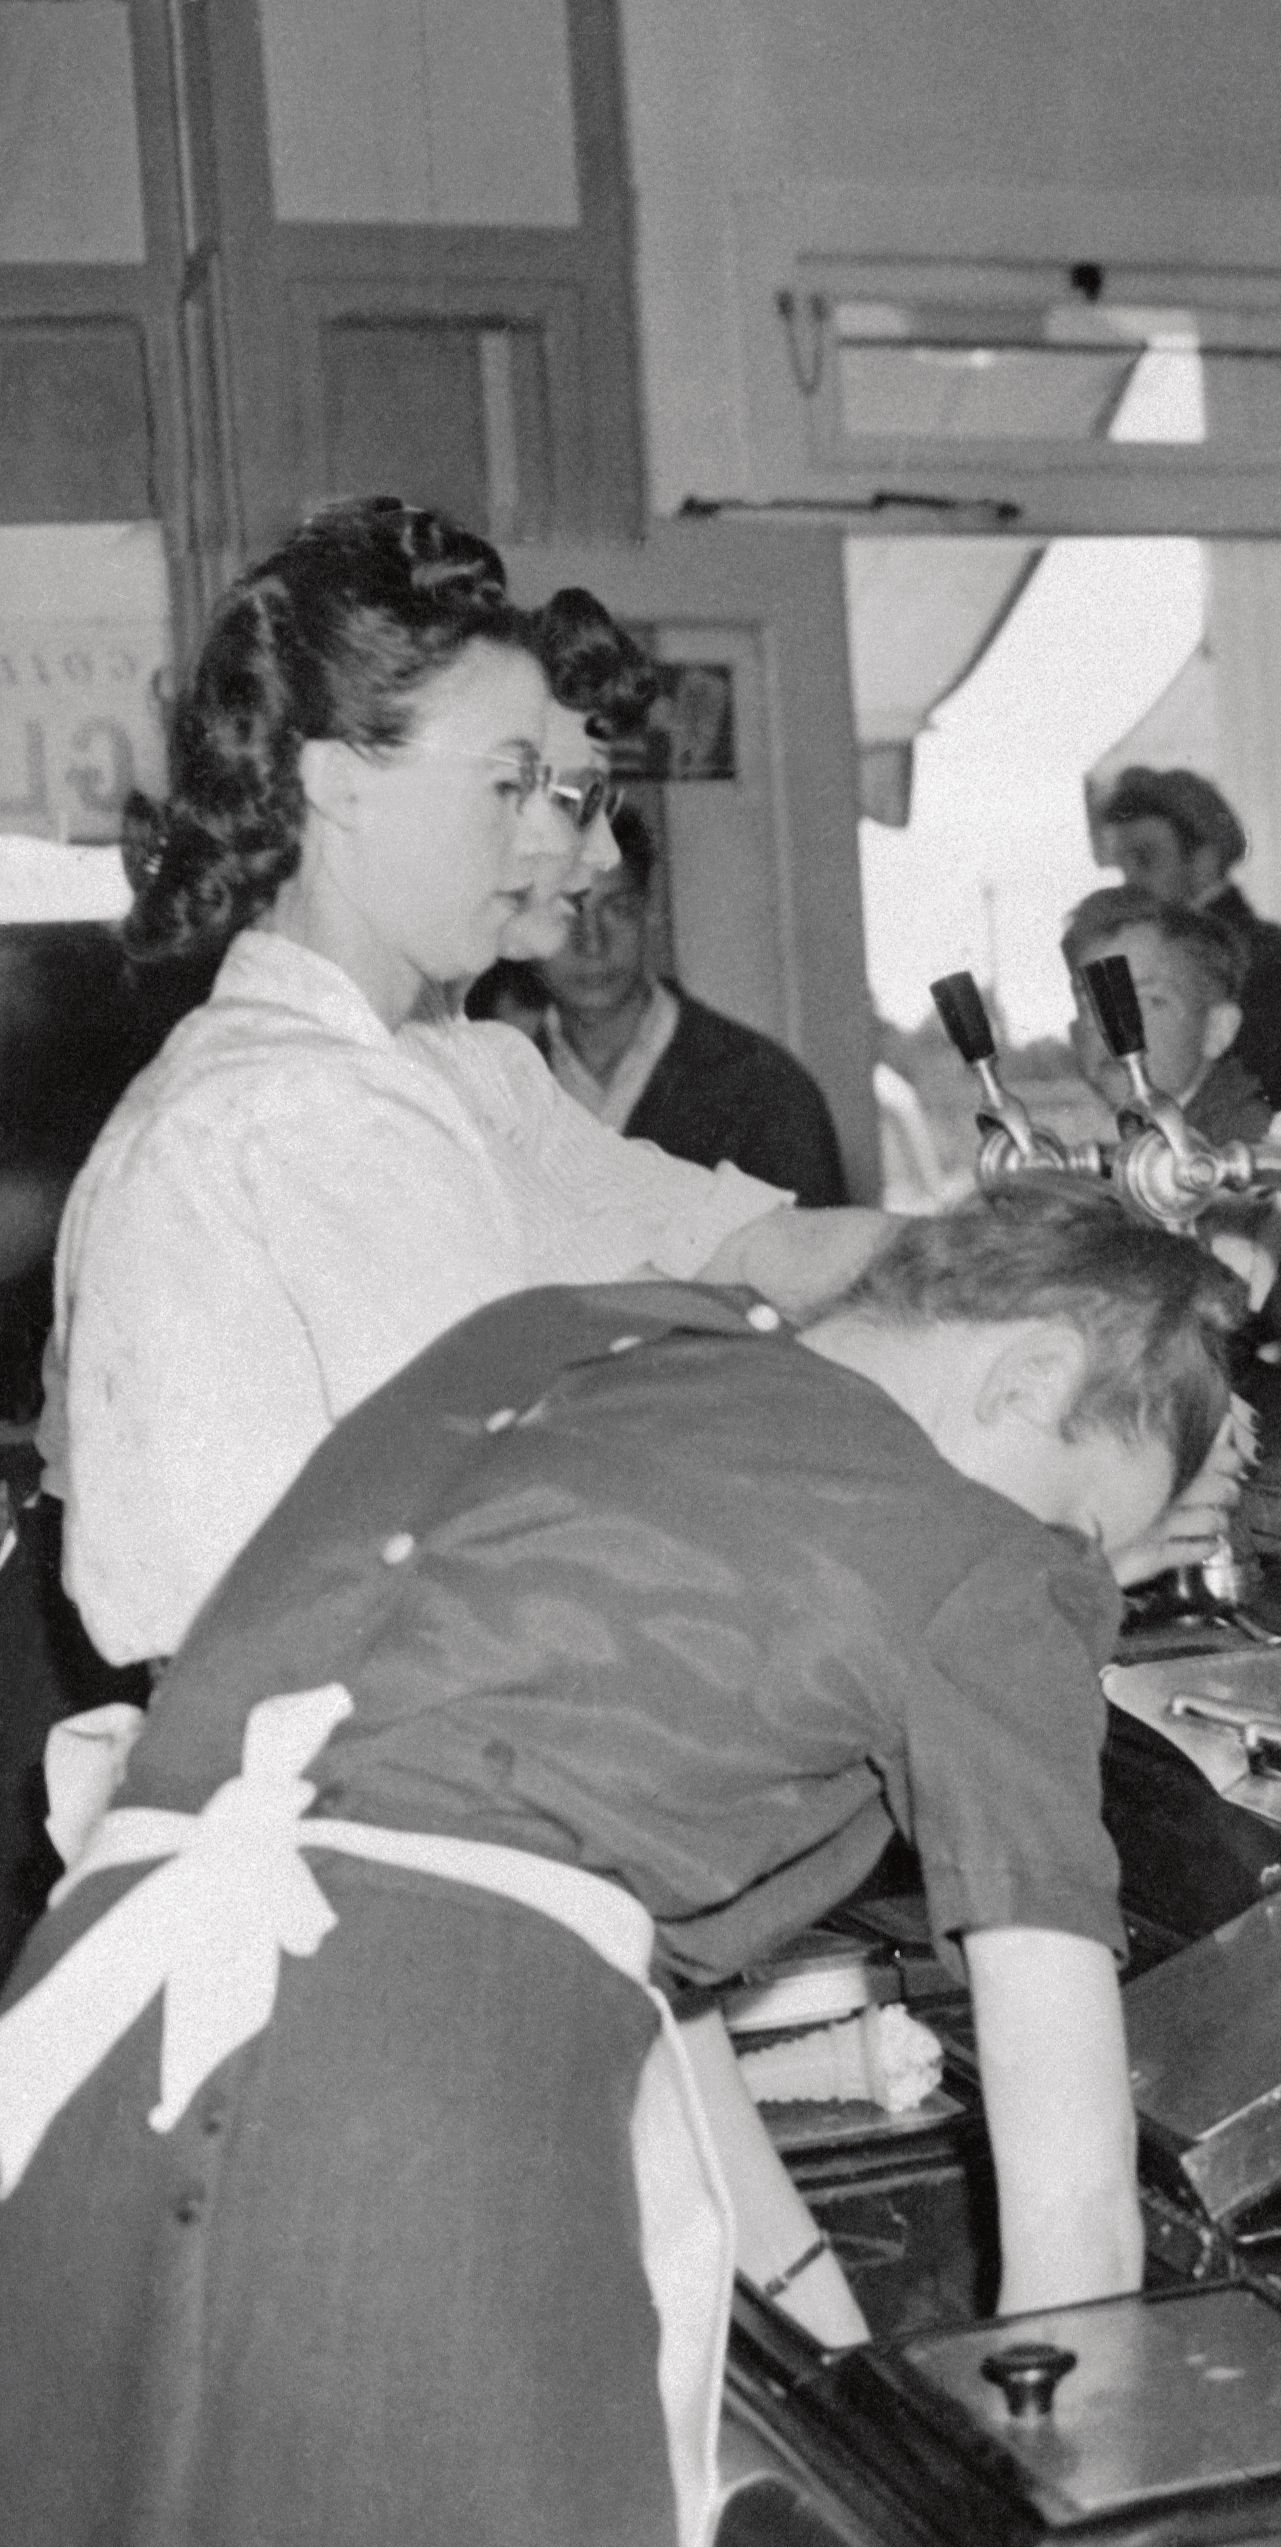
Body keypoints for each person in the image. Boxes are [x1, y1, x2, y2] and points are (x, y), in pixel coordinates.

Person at [0, 1183, 1246, 2547]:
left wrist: (827, 2339)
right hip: (407, 2131)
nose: (1078, 1569)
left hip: (75, 2064)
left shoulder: (547, 1340)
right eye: (1089, 1525)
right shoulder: (985, 1556)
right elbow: (1075, 2206)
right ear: (1028, 1377)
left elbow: (600, 1942)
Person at [44, 498, 896, 1670]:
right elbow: (544, 1474)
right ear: (339, 783)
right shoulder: (295, 1109)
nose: (557, 850)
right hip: (319, 1762)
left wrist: (1040, 1259)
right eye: (511, 787)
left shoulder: (441, 1065)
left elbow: (728, 1248)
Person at [500, 807, 851, 1206]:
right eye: (566, 912)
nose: (592, 944)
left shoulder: (764, 1089)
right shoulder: (497, 1094)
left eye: (618, 910)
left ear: (651, 915)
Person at [1097, 765, 1281, 1095]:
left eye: (1146, 860)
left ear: (1204, 862)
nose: (1130, 883)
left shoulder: (1272, 965)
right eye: (1123, 866)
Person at [1061, 885, 1276, 1147]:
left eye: (1149, 1001)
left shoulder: (1247, 1150)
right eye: (1091, 1003)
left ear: (1216, 1029)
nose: (1112, 1026)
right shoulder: (1112, 1136)